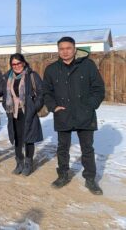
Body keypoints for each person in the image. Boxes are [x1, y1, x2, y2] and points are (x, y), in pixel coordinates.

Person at [43, 36, 105, 195]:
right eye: (61, 49)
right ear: (58, 50)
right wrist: (53, 107)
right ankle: (63, 175)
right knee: (63, 148)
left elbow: (98, 89)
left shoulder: (88, 66)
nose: (65, 51)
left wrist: (90, 105)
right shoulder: (51, 69)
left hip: (85, 114)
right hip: (63, 114)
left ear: (75, 49)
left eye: (68, 48)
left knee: (87, 149)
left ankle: (90, 179)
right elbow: (46, 92)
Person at [2, 53, 44, 176]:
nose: (16, 66)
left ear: (24, 63)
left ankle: (28, 164)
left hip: (28, 112)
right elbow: (4, 94)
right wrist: (6, 105)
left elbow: (41, 93)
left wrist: (34, 108)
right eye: (13, 64)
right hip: (14, 114)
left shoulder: (32, 75)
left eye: (18, 63)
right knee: (17, 139)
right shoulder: (7, 77)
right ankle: (19, 163)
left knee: (29, 139)